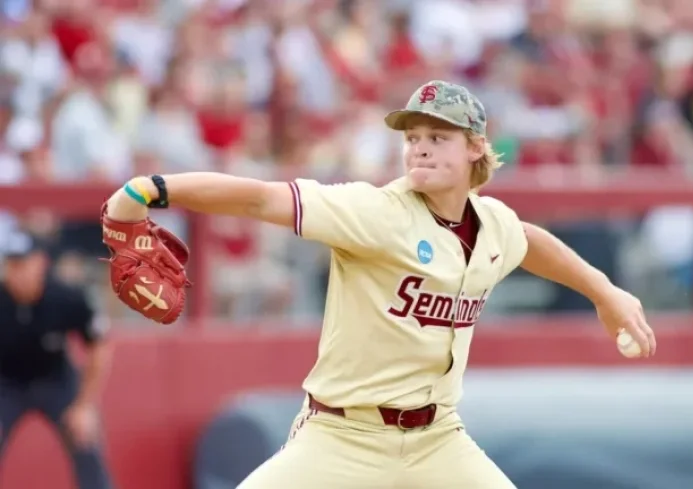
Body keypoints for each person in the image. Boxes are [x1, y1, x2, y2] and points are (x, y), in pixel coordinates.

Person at [103, 80, 656, 488]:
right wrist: (148, 189)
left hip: (437, 439)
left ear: (475, 148)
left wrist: (604, 292)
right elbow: (260, 198)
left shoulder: (492, 224)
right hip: (344, 436)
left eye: (438, 136)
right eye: (413, 137)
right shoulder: (375, 212)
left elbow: (529, 241)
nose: (420, 147)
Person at [0, 231, 114, 489]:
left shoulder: (65, 297)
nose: (17, 273)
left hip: (56, 381)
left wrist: (85, 405)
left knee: (84, 435)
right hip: (6, 383)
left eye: (23, 264)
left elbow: (98, 347)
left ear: (40, 263)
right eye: (12, 264)